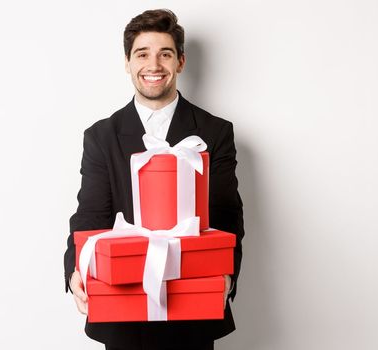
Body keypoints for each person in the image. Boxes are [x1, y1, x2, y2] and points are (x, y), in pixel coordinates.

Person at [62, 9, 244, 350]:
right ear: (128, 63)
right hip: (123, 304)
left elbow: (225, 213)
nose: (153, 65)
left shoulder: (216, 131)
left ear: (181, 62)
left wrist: (225, 274)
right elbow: (90, 213)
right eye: (142, 54)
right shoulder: (101, 136)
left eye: (165, 53)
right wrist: (76, 267)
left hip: (194, 305)